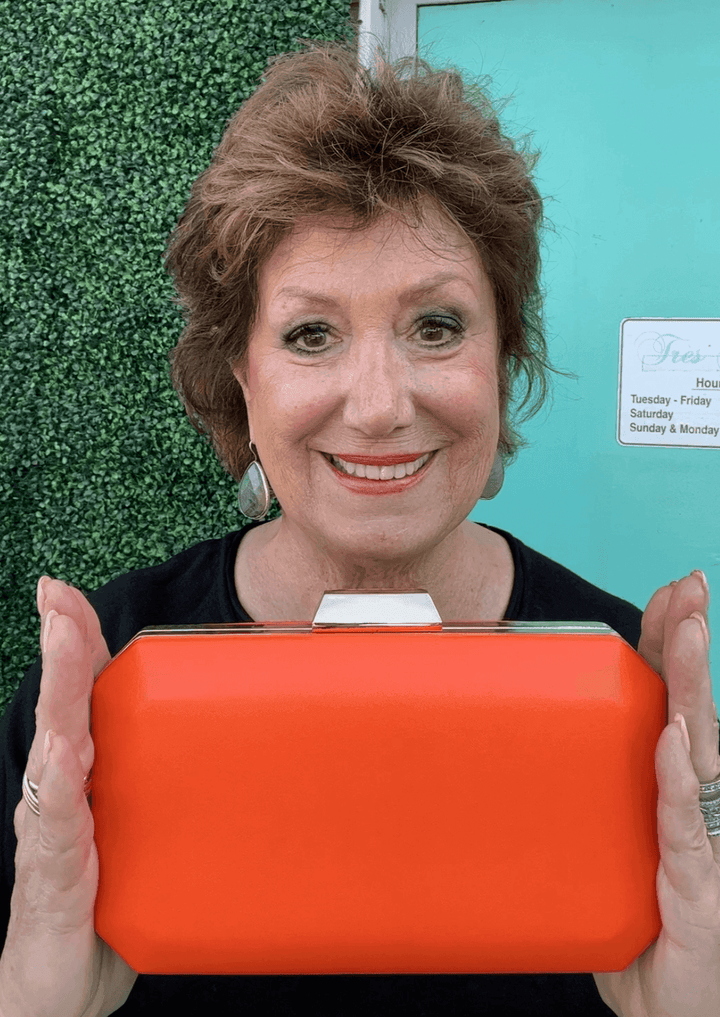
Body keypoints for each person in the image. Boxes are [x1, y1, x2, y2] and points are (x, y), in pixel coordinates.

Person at [1, 33, 719, 1017]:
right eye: (311, 334)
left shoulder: (631, 691)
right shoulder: (90, 699)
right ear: (242, 379)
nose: (379, 406)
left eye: (437, 326)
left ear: (502, 364)